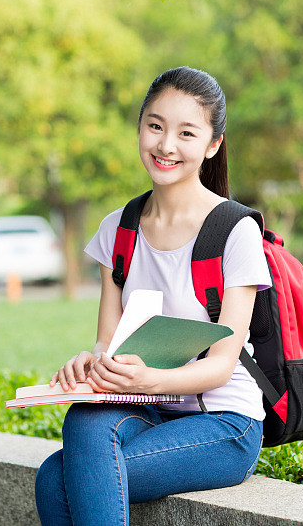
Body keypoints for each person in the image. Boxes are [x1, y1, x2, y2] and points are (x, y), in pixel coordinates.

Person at [34, 66, 272, 526]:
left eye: (186, 132)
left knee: (55, 478)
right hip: (149, 410)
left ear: (212, 145)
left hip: (223, 423)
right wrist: (94, 363)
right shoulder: (117, 229)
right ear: (140, 126)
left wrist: (148, 382)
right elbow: (110, 342)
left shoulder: (235, 231)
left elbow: (222, 366)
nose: (166, 145)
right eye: (155, 126)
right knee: (81, 422)